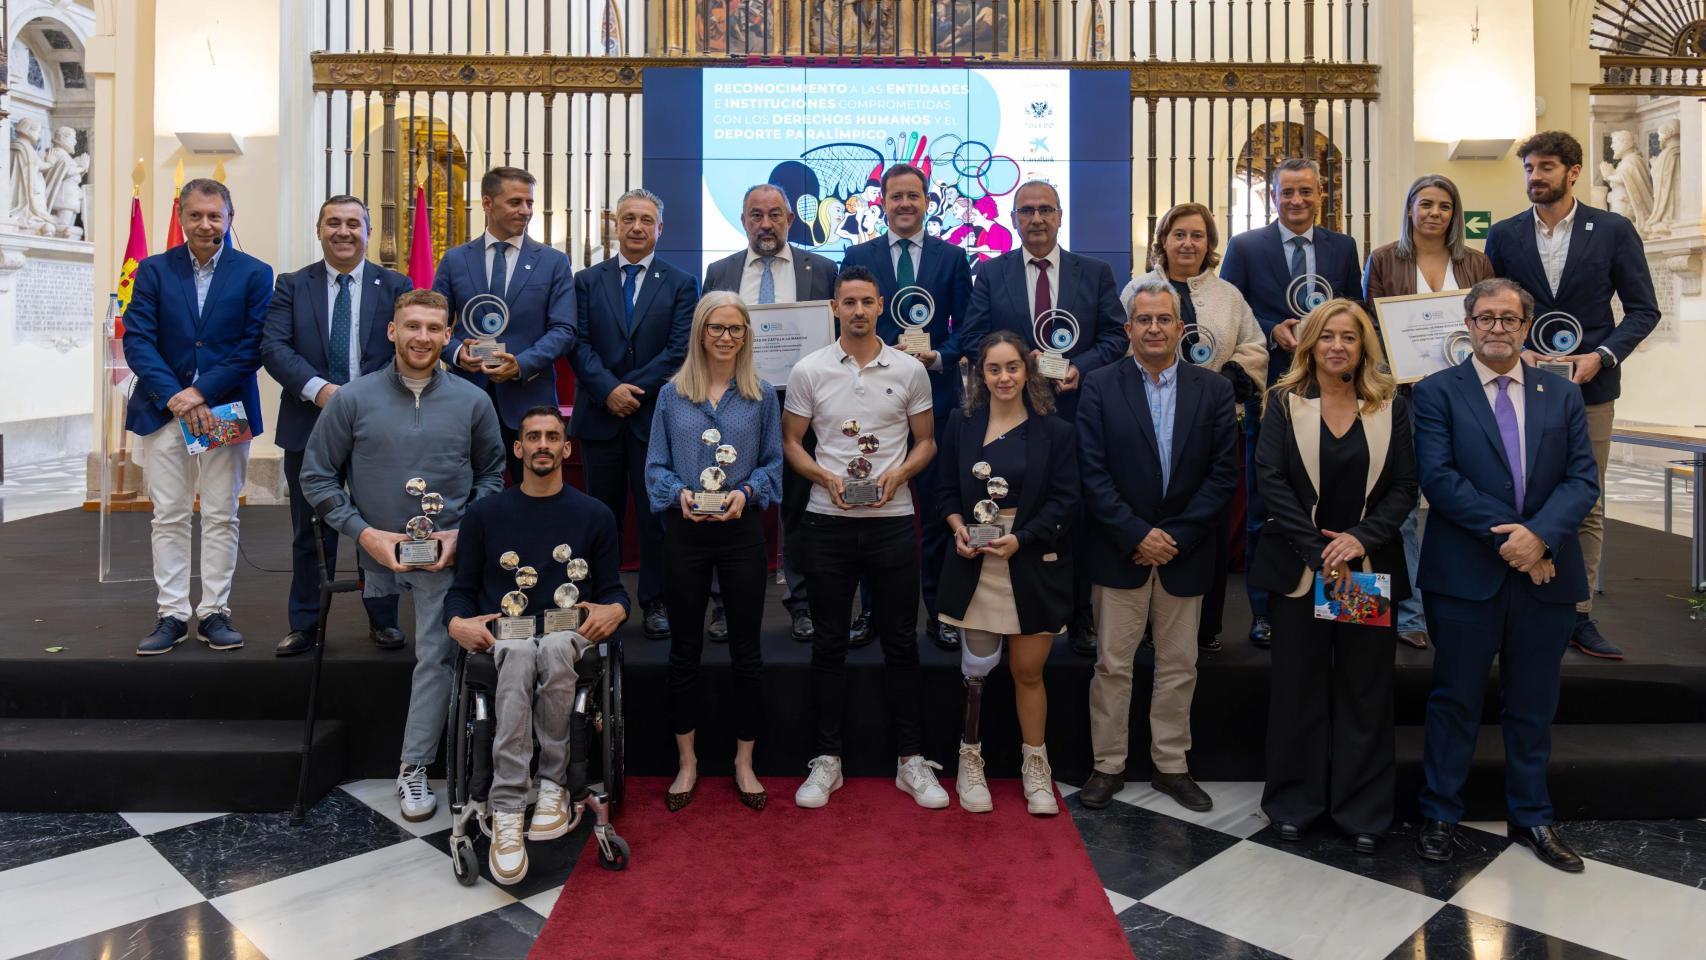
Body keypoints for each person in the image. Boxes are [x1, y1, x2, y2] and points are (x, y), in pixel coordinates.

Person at [1412, 277, 1600, 872]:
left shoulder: (1561, 393)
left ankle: (1534, 818)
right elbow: (1440, 481)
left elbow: (1582, 480)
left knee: (1533, 703)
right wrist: (1519, 540)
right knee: (1455, 699)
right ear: (1467, 325)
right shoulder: (1436, 393)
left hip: (1546, 577)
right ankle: (1440, 812)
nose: (1498, 327)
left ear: (1526, 326)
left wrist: (1540, 537)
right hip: (1467, 575)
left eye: (1509, 318)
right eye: (1486, 317)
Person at [300, 289, 506, 823]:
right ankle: (418, 759)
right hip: (377, 551)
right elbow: (316, 477)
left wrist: (462, 535)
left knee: (437, 654)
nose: (422, 337)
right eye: (411, 326)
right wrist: (365, 535)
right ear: (392, 331)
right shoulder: (352, 399)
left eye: (433, 328)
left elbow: (492, 474)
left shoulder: (473, 401)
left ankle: (412, 766)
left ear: (447, 335)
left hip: (448, 556)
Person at [1249, 298, 1417, 852]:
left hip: (1363, 572)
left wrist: (1358, 542)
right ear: (1310, 344)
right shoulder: (1283, 402)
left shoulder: (1388, 405)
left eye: (1349, 337)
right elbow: (1270, 480)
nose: (1338, 346)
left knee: (1363, 689)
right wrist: (1321, 552)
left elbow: (1402, 488)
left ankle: (1362, 810)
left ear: (1363, 347)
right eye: (1327, 336)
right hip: (1304, 570)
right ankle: (1295, 803)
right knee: (1299, 687)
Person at [1485, 131, 1660, 660]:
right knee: (1514, 492)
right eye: (1529, 169)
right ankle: (1513, 603)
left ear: (1573, 171)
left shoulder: (1612, 229)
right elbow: (1492, 309)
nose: (1535, 177)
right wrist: (1517, 353)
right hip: (1522, 385)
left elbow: (1643, 310)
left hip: (1591, 388)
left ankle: (1577, 614)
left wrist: (1600, 356)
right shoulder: (1505, 235)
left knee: (1585, 500)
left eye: (1545, 168)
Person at [784, 265, 946, 810]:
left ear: (881, 306)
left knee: (901, 642)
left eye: (866, 302)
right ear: (834, 308)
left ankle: (910, 759)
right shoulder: (809, 368)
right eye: (847, 302)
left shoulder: (909, 369)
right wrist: (824, 477)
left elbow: (926, 443)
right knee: (829, 643)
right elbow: (791, 443)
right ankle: (827, 759)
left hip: (892, 521)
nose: (857, 311)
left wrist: (896, 475)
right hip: (826, 522)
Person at [444, 405, 629, 885]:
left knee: (550, 647)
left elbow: (610, 590)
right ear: (518, 448)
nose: (543, 444)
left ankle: (552, 785)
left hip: (566, 635)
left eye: (553, 437)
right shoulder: (484, 515)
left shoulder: (594, 514)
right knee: (523, 650)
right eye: (533, 437)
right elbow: (461, 591)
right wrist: (456, 623)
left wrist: (618, 608)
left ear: (566, 449)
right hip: (506, 638)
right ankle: (508, 808)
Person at [1076, 277, 1239, 813]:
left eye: (1163, 319)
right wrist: (1136, 534)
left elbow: (1223, 475)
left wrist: (1176, 537)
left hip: (1185, 553)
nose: (1153, 328)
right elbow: (1092, 473)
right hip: (1118, 549)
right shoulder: (1099, 386)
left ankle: (1171, 764)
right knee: (1112, 665)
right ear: (1128, 329)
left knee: (1179, 666)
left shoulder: (1213, 389)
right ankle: (1108, 765)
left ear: (1180, 328)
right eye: (1143, 320)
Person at [959, 179, 1128, 657]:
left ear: (1060, 216)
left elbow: (1117, 337)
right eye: (1026, 210)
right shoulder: (992, 273)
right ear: (1013, 219)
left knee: (1071, 514)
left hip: (1074, 415)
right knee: (1014, 511)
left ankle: (1077, 615)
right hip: (1011, 415)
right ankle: (1004, 608)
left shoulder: (1093, 273)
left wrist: (1079, 367)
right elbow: (974, 336)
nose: (1036, 219)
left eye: (1045, 210)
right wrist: (1015, 360)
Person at [644, 292, 783, 813]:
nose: (726, 338)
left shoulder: (761, 395)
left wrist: (746, 493)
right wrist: (677, 492)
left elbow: (774, 464)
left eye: (736, 329)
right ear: (700, 332)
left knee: (747, 651)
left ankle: (745, 762)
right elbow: (655, 466)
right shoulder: (671, 395)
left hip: (741, 531)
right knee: (684, 650)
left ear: (746, 335)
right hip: (685, 534)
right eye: (717, 328)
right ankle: (688, 762)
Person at [1220, 157, 1364, 651]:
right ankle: (1265, 613)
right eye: (1287, 193)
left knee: (1341, 501)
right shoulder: (1245, 247)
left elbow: (1356, 313)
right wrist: (1270, 328)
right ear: (1273, 196)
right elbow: (1228, 312)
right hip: (1275, 397)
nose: (1297, 201)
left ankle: (1343, 604)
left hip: (1335, 397)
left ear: (1320, 195)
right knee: (1269, 505)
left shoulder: (1342, 248)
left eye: (1306, 192)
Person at [125, 179, 273, 656]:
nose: (206, 224)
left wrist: (200, 391)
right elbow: (138, 340)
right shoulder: (152, 271)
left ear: (230, 217)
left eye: (215, 215)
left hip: (225, 408)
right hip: (162, 409)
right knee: (167, 515)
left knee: (220, 514)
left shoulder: (255, 273)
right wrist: (176, 396)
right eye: (196, 215)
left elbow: (252, 346)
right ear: (182, 217)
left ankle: (213, 612)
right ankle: (171, 613)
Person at [261, 195, 411, 658]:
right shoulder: (290, 285)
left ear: (368, 232)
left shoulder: (395, 285)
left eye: (353, 224)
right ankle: (306, 624)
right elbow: (274, 347)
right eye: (333, 223)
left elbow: (407, 348)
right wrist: (319, 389)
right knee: (310, 531)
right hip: (310, 423)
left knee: (380, 525)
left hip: (377, 426)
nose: (343, 232)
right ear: (319, 230)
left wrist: (367, 396)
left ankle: (383, 619)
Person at [935, 330, 1078, 815]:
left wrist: (1022, 538)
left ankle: (1036, 768)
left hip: (1030, 559)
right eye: (993, 368)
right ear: (980, 373)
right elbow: (945, 494)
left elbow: (1065, 500)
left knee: (1027, 671)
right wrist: (957, 528)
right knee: (974, 676)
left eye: (1012, 367)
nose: (1003, 377)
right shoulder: (961, 422)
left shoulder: (1055, 430)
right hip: (975, 563)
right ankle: (969, 760)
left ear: (1027, 370)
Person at [1121, 202, 1268, 653]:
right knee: (1150, 515)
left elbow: (1255, 346)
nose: (1188, 243)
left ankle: (1205, 629)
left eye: (1198, 236)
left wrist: (1222, 383)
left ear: (1209, 245)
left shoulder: (1229, 296)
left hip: (1212, 426)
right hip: (1149, 428)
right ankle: (1143, 627)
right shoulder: (1136, 289)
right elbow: (1121, 347)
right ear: (1162, 240)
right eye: (1179, 234)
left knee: (1207, 521)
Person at [841, 162, 976, 652]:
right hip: (870, 403)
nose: (904, 204)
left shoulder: (953, 257)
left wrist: (938, 354)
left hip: (935, 400)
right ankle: (872, 610)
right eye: (895, 196)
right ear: (882, 201)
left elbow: (970, 327)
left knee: (940, 511)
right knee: (870, 507)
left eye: (913, 196)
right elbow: (848, 320)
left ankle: (941, 612)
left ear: (926, 201)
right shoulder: (858, 254)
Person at [1364, 174, 1495, 651]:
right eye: (1426, 204)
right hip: (1401, 398)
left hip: (1463, 395)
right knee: (1399, 508)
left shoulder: (1476, 261)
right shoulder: (1383, 259)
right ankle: (1408, 612)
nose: (1435, 213)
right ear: (1411, 209)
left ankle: (1460, 605)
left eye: (1444, 205)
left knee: (1460, 497)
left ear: (1454, 213)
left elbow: (1488, 321)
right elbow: (1371, 327)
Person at [704, 183, 837, 645]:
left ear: (790, 220)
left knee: (800, 506)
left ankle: (801, 604)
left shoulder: (821, 269)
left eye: (775, 215)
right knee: (729, 499)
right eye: (756, 215)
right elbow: (705, 341)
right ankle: (726, 605)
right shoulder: (719, 271)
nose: (766, 224)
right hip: (738, 401)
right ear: (743, 220)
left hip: (804, 405)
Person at [569, 187, 697, 642]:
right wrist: (608, 390)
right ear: (615, 225)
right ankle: (600, 600)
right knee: (600, 515)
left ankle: (654, 601)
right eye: (629, 219)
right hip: (599, 417)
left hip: (653, 419)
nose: (637, 227)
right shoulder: (586, 280)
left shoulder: (681, 283)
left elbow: (678, 350)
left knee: (654, 516)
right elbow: (577, 344)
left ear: (660, 228)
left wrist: (632, 392)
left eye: (646, 220)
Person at [433, 166, 575, 484]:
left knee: (536, 496)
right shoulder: (455, 260)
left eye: (529, 203)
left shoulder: (553, 262)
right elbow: (435, 324)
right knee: (467, 494)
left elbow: (564, 330)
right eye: (515, 202)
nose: (525, 211)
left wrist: (521, 365)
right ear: (487, 203)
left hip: (530, 398)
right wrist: (456, 353)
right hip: (466, 396)